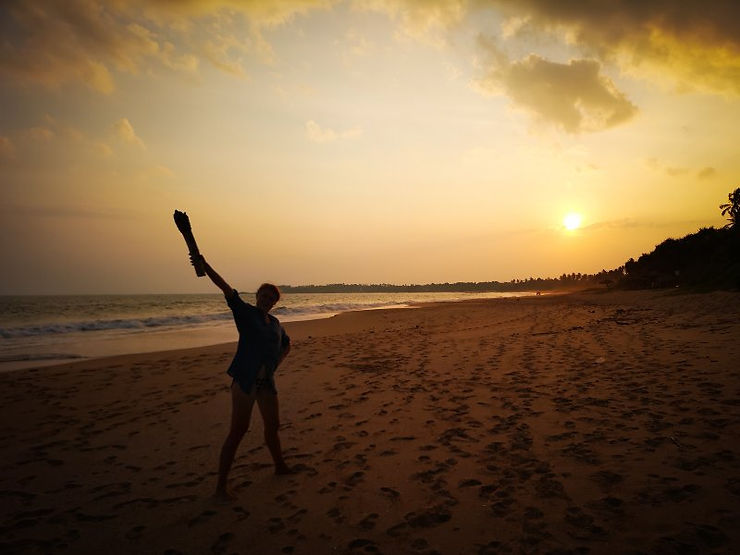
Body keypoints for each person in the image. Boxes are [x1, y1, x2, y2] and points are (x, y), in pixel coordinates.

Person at [191, 254, 292, 502]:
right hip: (245, 382)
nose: (267, 300)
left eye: (271, 298)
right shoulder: (245, 313)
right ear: (256, 296)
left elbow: (287, 345)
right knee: (238, 431)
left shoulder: (275, 323)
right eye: (264, 296)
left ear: (274, 302)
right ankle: (220, 488)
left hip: (266, 384)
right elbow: (227, 289)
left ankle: (279, 466)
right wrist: (206, 266)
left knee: (273, 427)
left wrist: (277, 362)